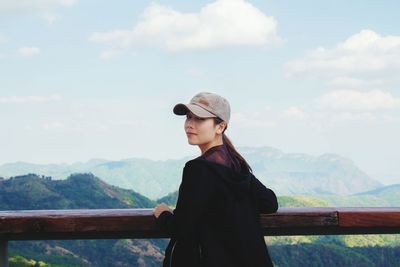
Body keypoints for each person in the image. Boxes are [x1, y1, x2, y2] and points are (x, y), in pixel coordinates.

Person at [153, 92, 278, 267]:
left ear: (220, 127)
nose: (190, 124)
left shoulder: (198, 169)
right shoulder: (237, 165)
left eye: (199, 119)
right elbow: (270, 202)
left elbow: (180, 228)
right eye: (189, 117)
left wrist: (163, 214)